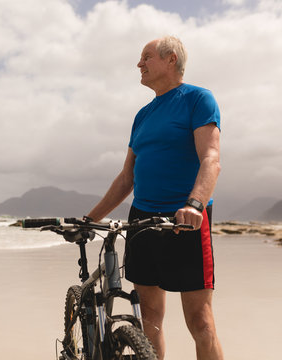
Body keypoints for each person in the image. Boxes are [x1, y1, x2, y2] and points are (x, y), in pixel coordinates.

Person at [85, 36, 223, 360]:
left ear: (170, 59)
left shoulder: (198, 99)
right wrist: (91, 218)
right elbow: (126, 179)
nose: (139, 64)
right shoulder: (142, 116)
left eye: (146, 57)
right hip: (142, 219)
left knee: (200, 322)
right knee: (150, 319)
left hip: (185, 221)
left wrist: (194, 204)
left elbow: (211, 158)